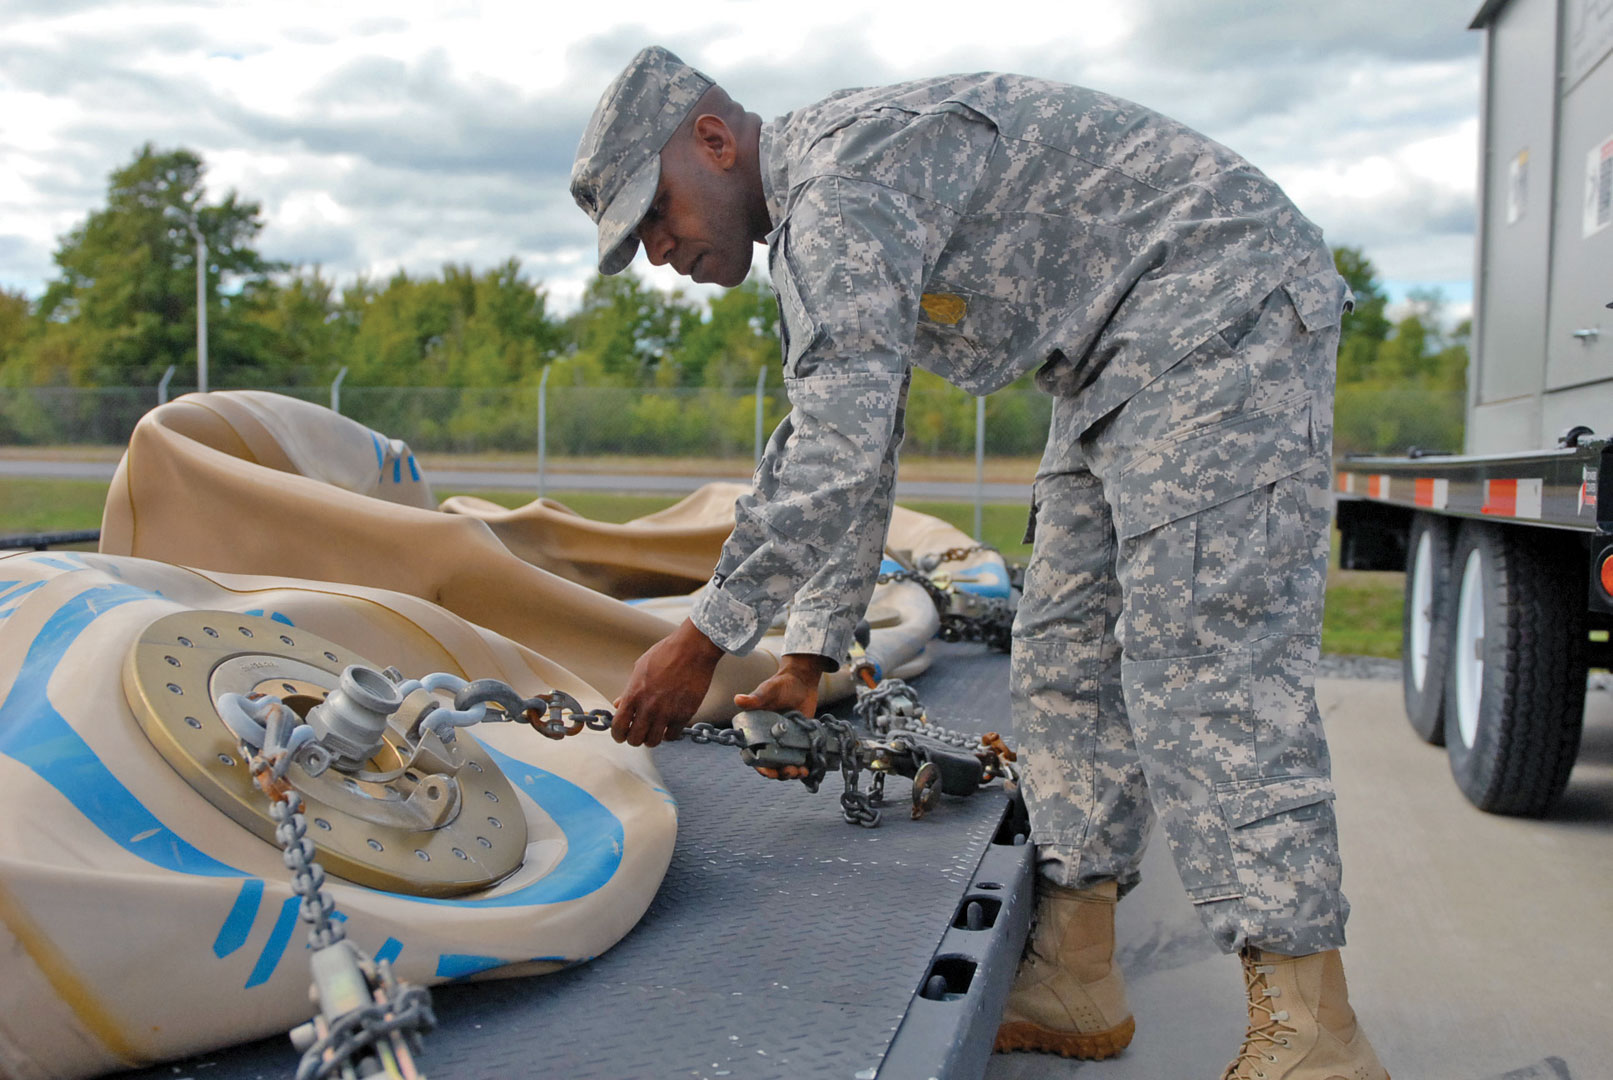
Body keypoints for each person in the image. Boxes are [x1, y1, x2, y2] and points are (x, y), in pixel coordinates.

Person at [570, 46, 1388, 1080]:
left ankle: (1314, 1030)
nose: (657, 250)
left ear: (715, 141)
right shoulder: (819, 227)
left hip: (1212, 304)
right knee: (1061, 649)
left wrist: (703, 638)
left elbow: (837, 451)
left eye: (655, 213)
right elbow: (851, 441)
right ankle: (1075, 971)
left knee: (1200, 653)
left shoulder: (841, 187)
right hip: (1113, 355)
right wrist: (809, 657)